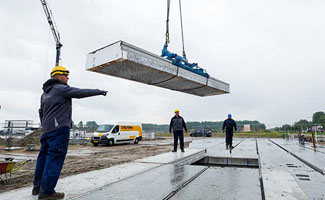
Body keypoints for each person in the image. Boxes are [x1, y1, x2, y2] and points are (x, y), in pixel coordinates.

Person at [33, 66, 107, 199]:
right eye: (66, 75)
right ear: (58, 76)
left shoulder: (44, 94)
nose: (68, 78)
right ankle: (47, 192)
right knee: (55, 158)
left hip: (47, 130)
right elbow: (80, 92)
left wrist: (45, 126)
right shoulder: (60, 89)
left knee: (43, 157)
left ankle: (37, 187)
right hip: (59, 129)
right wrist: (99, 91)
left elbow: (41, 112)